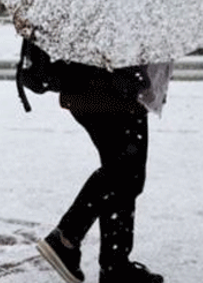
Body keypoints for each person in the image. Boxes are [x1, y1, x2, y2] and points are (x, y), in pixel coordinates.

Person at [22, 53, 172, 283]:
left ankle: (113, 265)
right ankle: (68, 239)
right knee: (124, 173)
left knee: (123, 178)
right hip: (108, 88)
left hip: (98, 86)